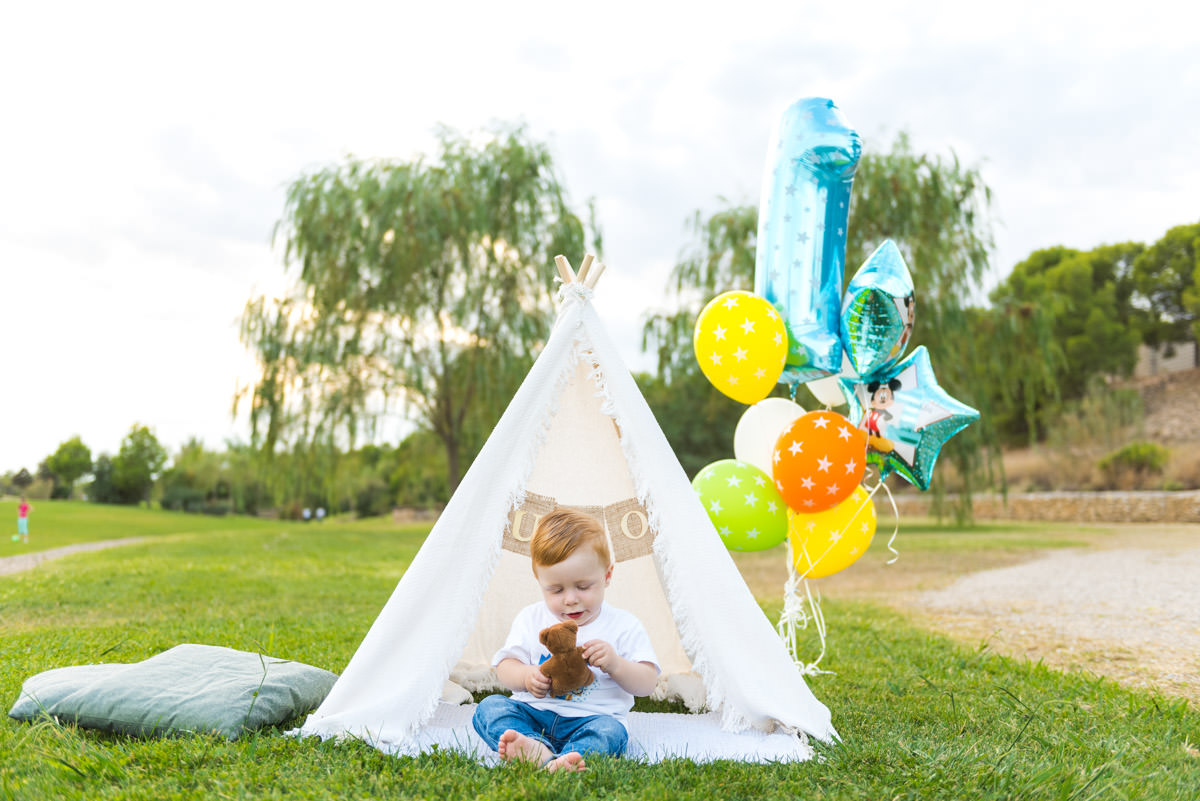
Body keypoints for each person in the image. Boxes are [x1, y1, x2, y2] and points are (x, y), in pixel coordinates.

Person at [472, 508, 660, 773]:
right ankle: (534, 746)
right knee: (489, 708)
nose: (570, 599)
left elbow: (647, 683)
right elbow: (505, 667)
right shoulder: (531, 618)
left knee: (611, 733)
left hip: (592, 719)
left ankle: (572, 756)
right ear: (540, 581)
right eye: (556, 589)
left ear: (607, 576)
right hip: (532, 712)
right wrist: (527, 676)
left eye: (583, 587)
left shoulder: (624, 625)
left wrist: (616, 664)